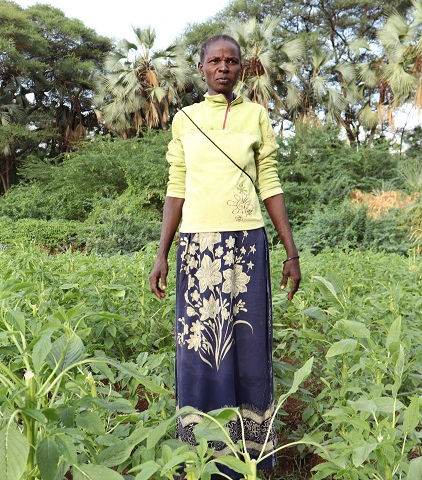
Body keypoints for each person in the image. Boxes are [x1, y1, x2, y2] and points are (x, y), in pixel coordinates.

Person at [148, 34, 301, 477]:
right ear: (200, 69)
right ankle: (202, 453)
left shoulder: (256, 116)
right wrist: (162, 253)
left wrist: (290, 251)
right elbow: (176, 187)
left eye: (231, 61)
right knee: (200, 350)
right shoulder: (185, 120)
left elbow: (269, 182)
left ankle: (249, 455)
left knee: (247, 345)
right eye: (214, 61)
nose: (223, 68)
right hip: (197, 248)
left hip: (246, 247)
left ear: (242, 69)